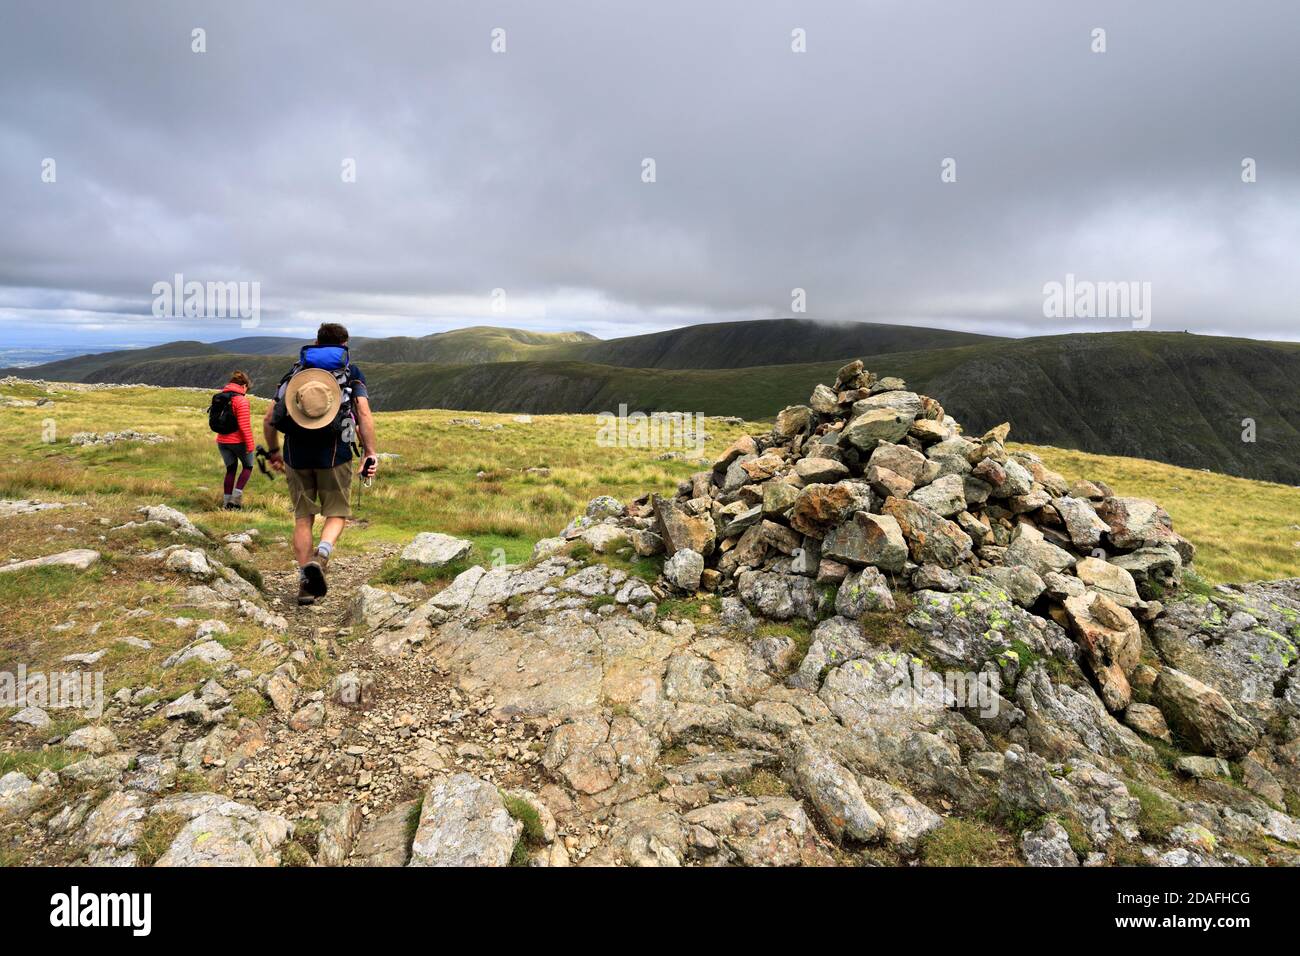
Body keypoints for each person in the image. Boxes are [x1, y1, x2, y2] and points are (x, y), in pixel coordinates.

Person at [262, 323, 378, 606]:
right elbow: (363, 412)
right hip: (335, 454)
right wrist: (369, 453)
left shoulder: (296, 373)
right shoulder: (352, 373)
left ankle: (305, 582)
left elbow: (269, 418)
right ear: (344, 344)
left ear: (316, 341)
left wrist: (275, 452)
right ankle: (322, 555)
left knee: (303, 518)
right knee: (337, 512)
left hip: (295, 454)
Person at [215, 371, 256, 510]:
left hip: (222, 441)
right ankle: (235, 500)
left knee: (230, 470)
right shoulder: (241, 401)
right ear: (244, 386)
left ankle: (226, 504)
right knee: (248, 466)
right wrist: (250, 444)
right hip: (238, 441)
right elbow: (244, 426)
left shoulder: (221, 397)